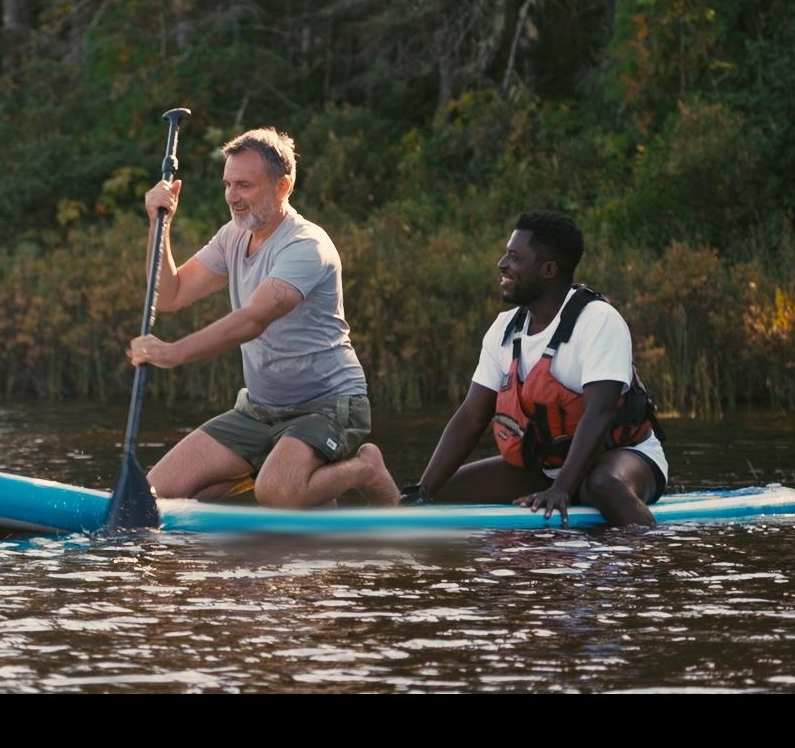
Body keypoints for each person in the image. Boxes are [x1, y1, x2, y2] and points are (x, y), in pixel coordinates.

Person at [126, 128, 399, 508]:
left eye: (244, 185)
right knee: (153, 494)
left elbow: (255, 319)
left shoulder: (307, 245)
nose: (232, 198)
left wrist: (173, 353)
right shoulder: (232, 236)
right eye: (228, 185)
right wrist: (160, 222)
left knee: (276, 494)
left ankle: (363, 468)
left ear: (283, 185)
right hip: (258, 409)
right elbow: (169, 296)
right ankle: (283, 471)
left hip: (330, 404)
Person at [403, 210, 668, 526]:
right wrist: (423, 490)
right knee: (439, 494)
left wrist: (561, 490)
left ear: (548, 270)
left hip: (624, 457)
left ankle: (651, 556)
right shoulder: (503, 329)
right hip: (547, 470)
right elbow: (471, 417)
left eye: (514, 257)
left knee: (602, 485)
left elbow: (601, 413)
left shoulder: (598, 321)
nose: (502, 264)